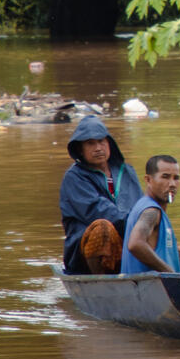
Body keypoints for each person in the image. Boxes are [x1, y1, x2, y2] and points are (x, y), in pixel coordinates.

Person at [58, 115, 141, 274]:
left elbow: (141, 207)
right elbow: (98, 211)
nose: (98, 148)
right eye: (90, 143)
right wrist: (137, 224)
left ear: (109, 143)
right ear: (80, 150)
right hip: (86, 252)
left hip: (129, 244)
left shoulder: (127, 172)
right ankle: (101, 280)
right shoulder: (74, 177)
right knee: (102, 228)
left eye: (101, 141)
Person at [122, 154, 180, 276]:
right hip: (146, 290)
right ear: (148, 180)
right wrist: (171, 274)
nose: (172, 184)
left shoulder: (148, 207)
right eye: (165, 177)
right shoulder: (151, 211)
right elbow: (135, 244)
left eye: (176, 178)